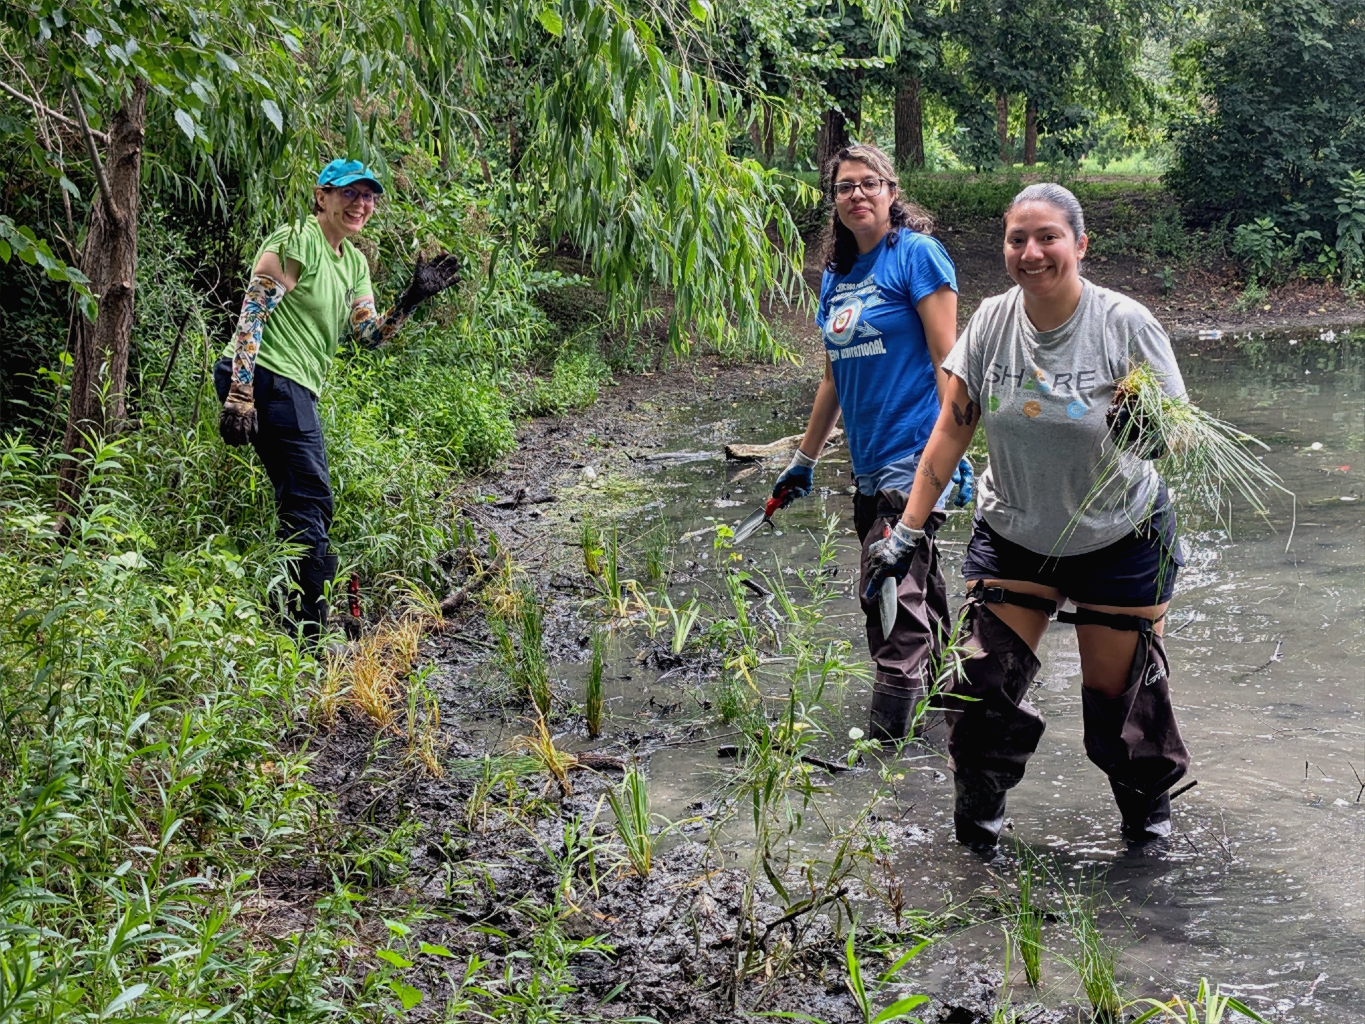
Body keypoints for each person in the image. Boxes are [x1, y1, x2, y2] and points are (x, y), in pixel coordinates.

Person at [864, 182, 1191, 848]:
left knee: (1120, 713)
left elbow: (1179, 438)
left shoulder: (1122, 323)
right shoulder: (991, 321)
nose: (1032, 252)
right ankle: (976, 838)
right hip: (1015, 529)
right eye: (1018, 239)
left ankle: (1146, 848)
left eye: (1048, 238)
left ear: (1080, 244)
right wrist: (906, 530)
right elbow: (952, 428)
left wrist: (1146, 430)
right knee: (979, 689)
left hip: (1117, 533)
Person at [771, 144, 972, 743]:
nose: (856, 194)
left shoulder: (916, 255)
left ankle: (887, 755)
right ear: (833, 200)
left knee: (888, 591)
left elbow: (948, 361)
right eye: (844, 186)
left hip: (914, 453)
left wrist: (954, 452)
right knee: (920, 589)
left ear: (891, 191)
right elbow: (834, 377)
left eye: (869, 183)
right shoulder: (836, 275)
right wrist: (803, 460)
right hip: (867, 463)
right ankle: (959, 715)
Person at [214, 158, 460, 645]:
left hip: (293, 386)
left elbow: (369, 335)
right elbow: (253, 313)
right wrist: (241, 393)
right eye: (350, 193)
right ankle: (306, 640)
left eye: (368, 196)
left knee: (303, 503)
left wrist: (410, 299)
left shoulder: (353, 264)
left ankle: (290, 626)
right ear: (322, 195)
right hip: (267, 374)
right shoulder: (297, 240)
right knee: (312, 501)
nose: (361, 204)